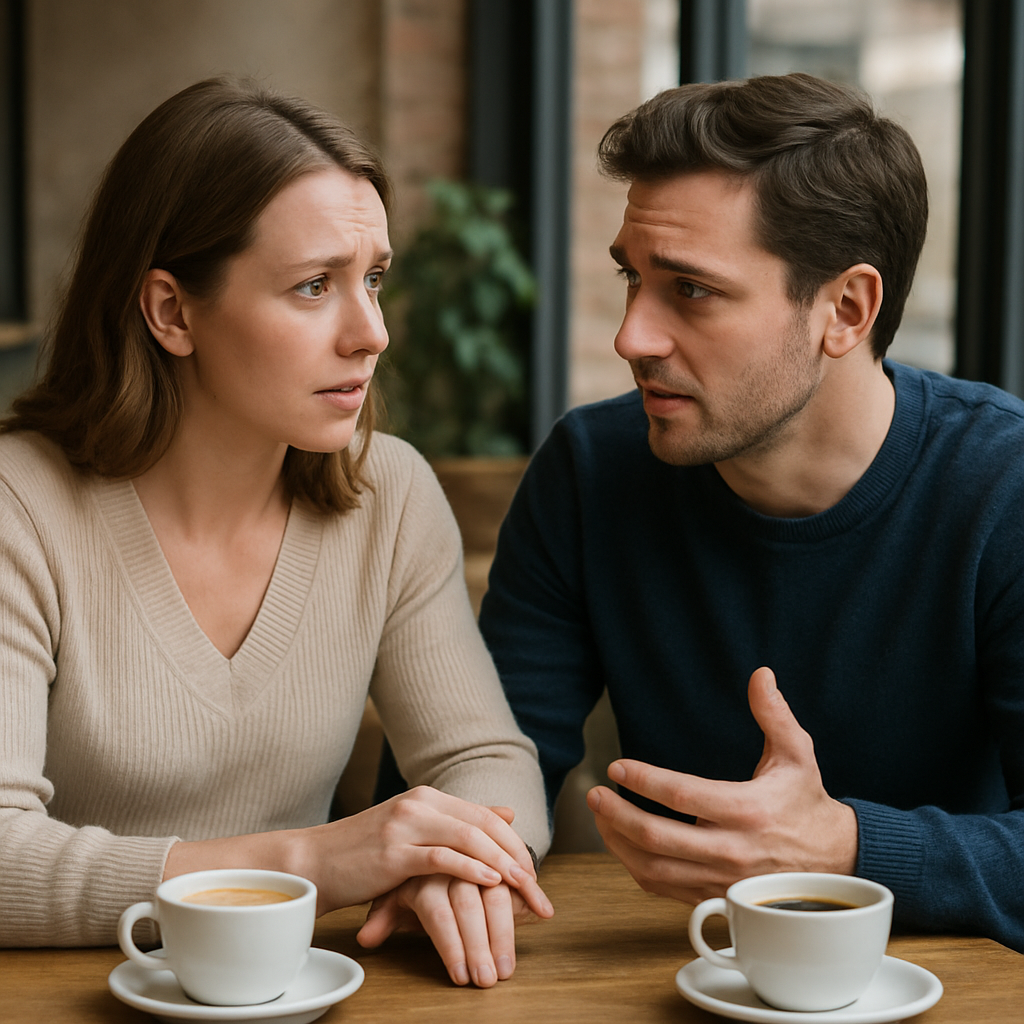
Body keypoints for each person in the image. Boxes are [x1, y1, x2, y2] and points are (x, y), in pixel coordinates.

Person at [0, 77, 553, 989]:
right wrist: (312, 863)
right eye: (312, 287)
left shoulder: (391, 492)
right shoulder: (23, 508)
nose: (370, 332)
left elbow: (481, 758)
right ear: (171, 311)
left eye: (373, 278)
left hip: (298, 998)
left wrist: (460, 866)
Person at [478, 72, 1024, 952]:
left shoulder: (1004, 485)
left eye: (690, 290)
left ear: (845, 309)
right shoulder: (590, 471)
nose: (632, 337)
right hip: (673, 980)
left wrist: (843, 845)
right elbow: (475, 767)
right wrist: (454, 846)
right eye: (633, 279)